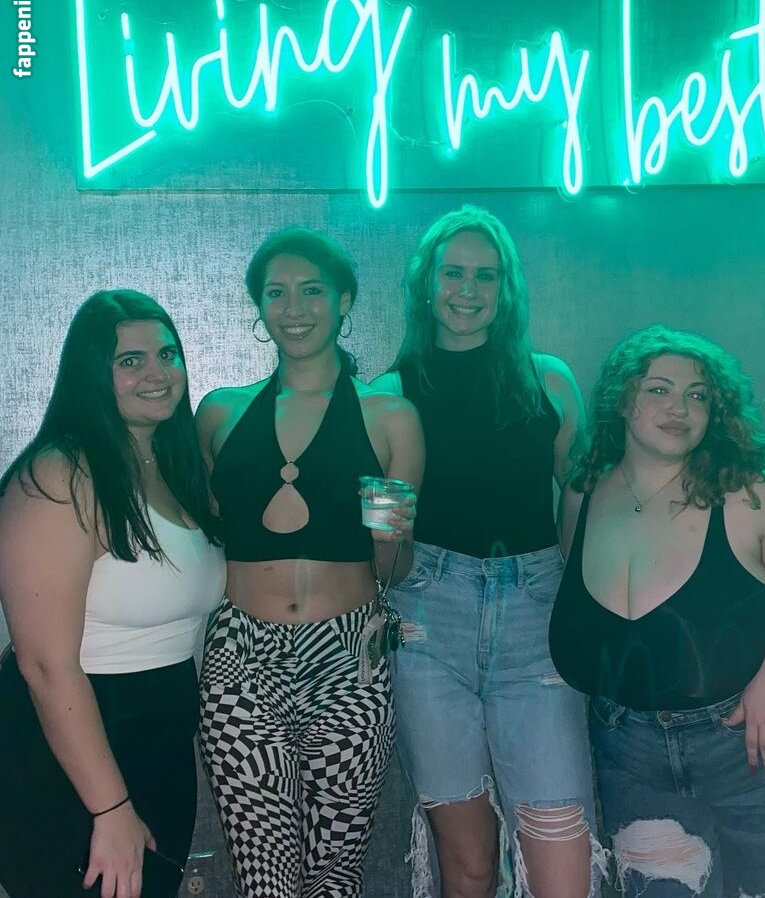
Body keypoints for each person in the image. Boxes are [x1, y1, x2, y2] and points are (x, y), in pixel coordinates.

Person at [372, 205, 605, 898]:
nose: (468, 290)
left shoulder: (549, 380)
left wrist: (588, 599)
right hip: (426, 619)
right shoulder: (386, 394)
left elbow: (584, 499)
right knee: (468, 863)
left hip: (538, 616)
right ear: (426, 283)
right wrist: (379, 545)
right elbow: (382, 537)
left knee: (561, 863)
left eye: (486, 275)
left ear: (507, 288)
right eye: (453, 273)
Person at [549, 324, 765, 898]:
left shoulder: (751, 496)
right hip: (629, 754)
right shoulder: (582, 494)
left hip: (748, 743)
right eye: (659, 389)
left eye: (697, 395)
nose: (679, 407)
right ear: (622, 400)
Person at [196, 227, 424, 898]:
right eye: (276, 293)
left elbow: (395, 570)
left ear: (344, 299)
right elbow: (209, 526)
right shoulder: (219, 413)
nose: (294, 308)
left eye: (312, 290)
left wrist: (388, 534)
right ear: (260, 306)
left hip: (350, 655)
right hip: (242, 656)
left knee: (335, 875)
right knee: (264, 875)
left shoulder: (390, 416)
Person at [0, 290, 225, 898]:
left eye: (168, 354)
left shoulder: (177, 469)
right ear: (92, 374)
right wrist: (110, 806)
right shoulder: (61, 473)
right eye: (130, 360)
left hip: (162, 732)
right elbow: (44, 664)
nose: (157, 373)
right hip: (74, 741)